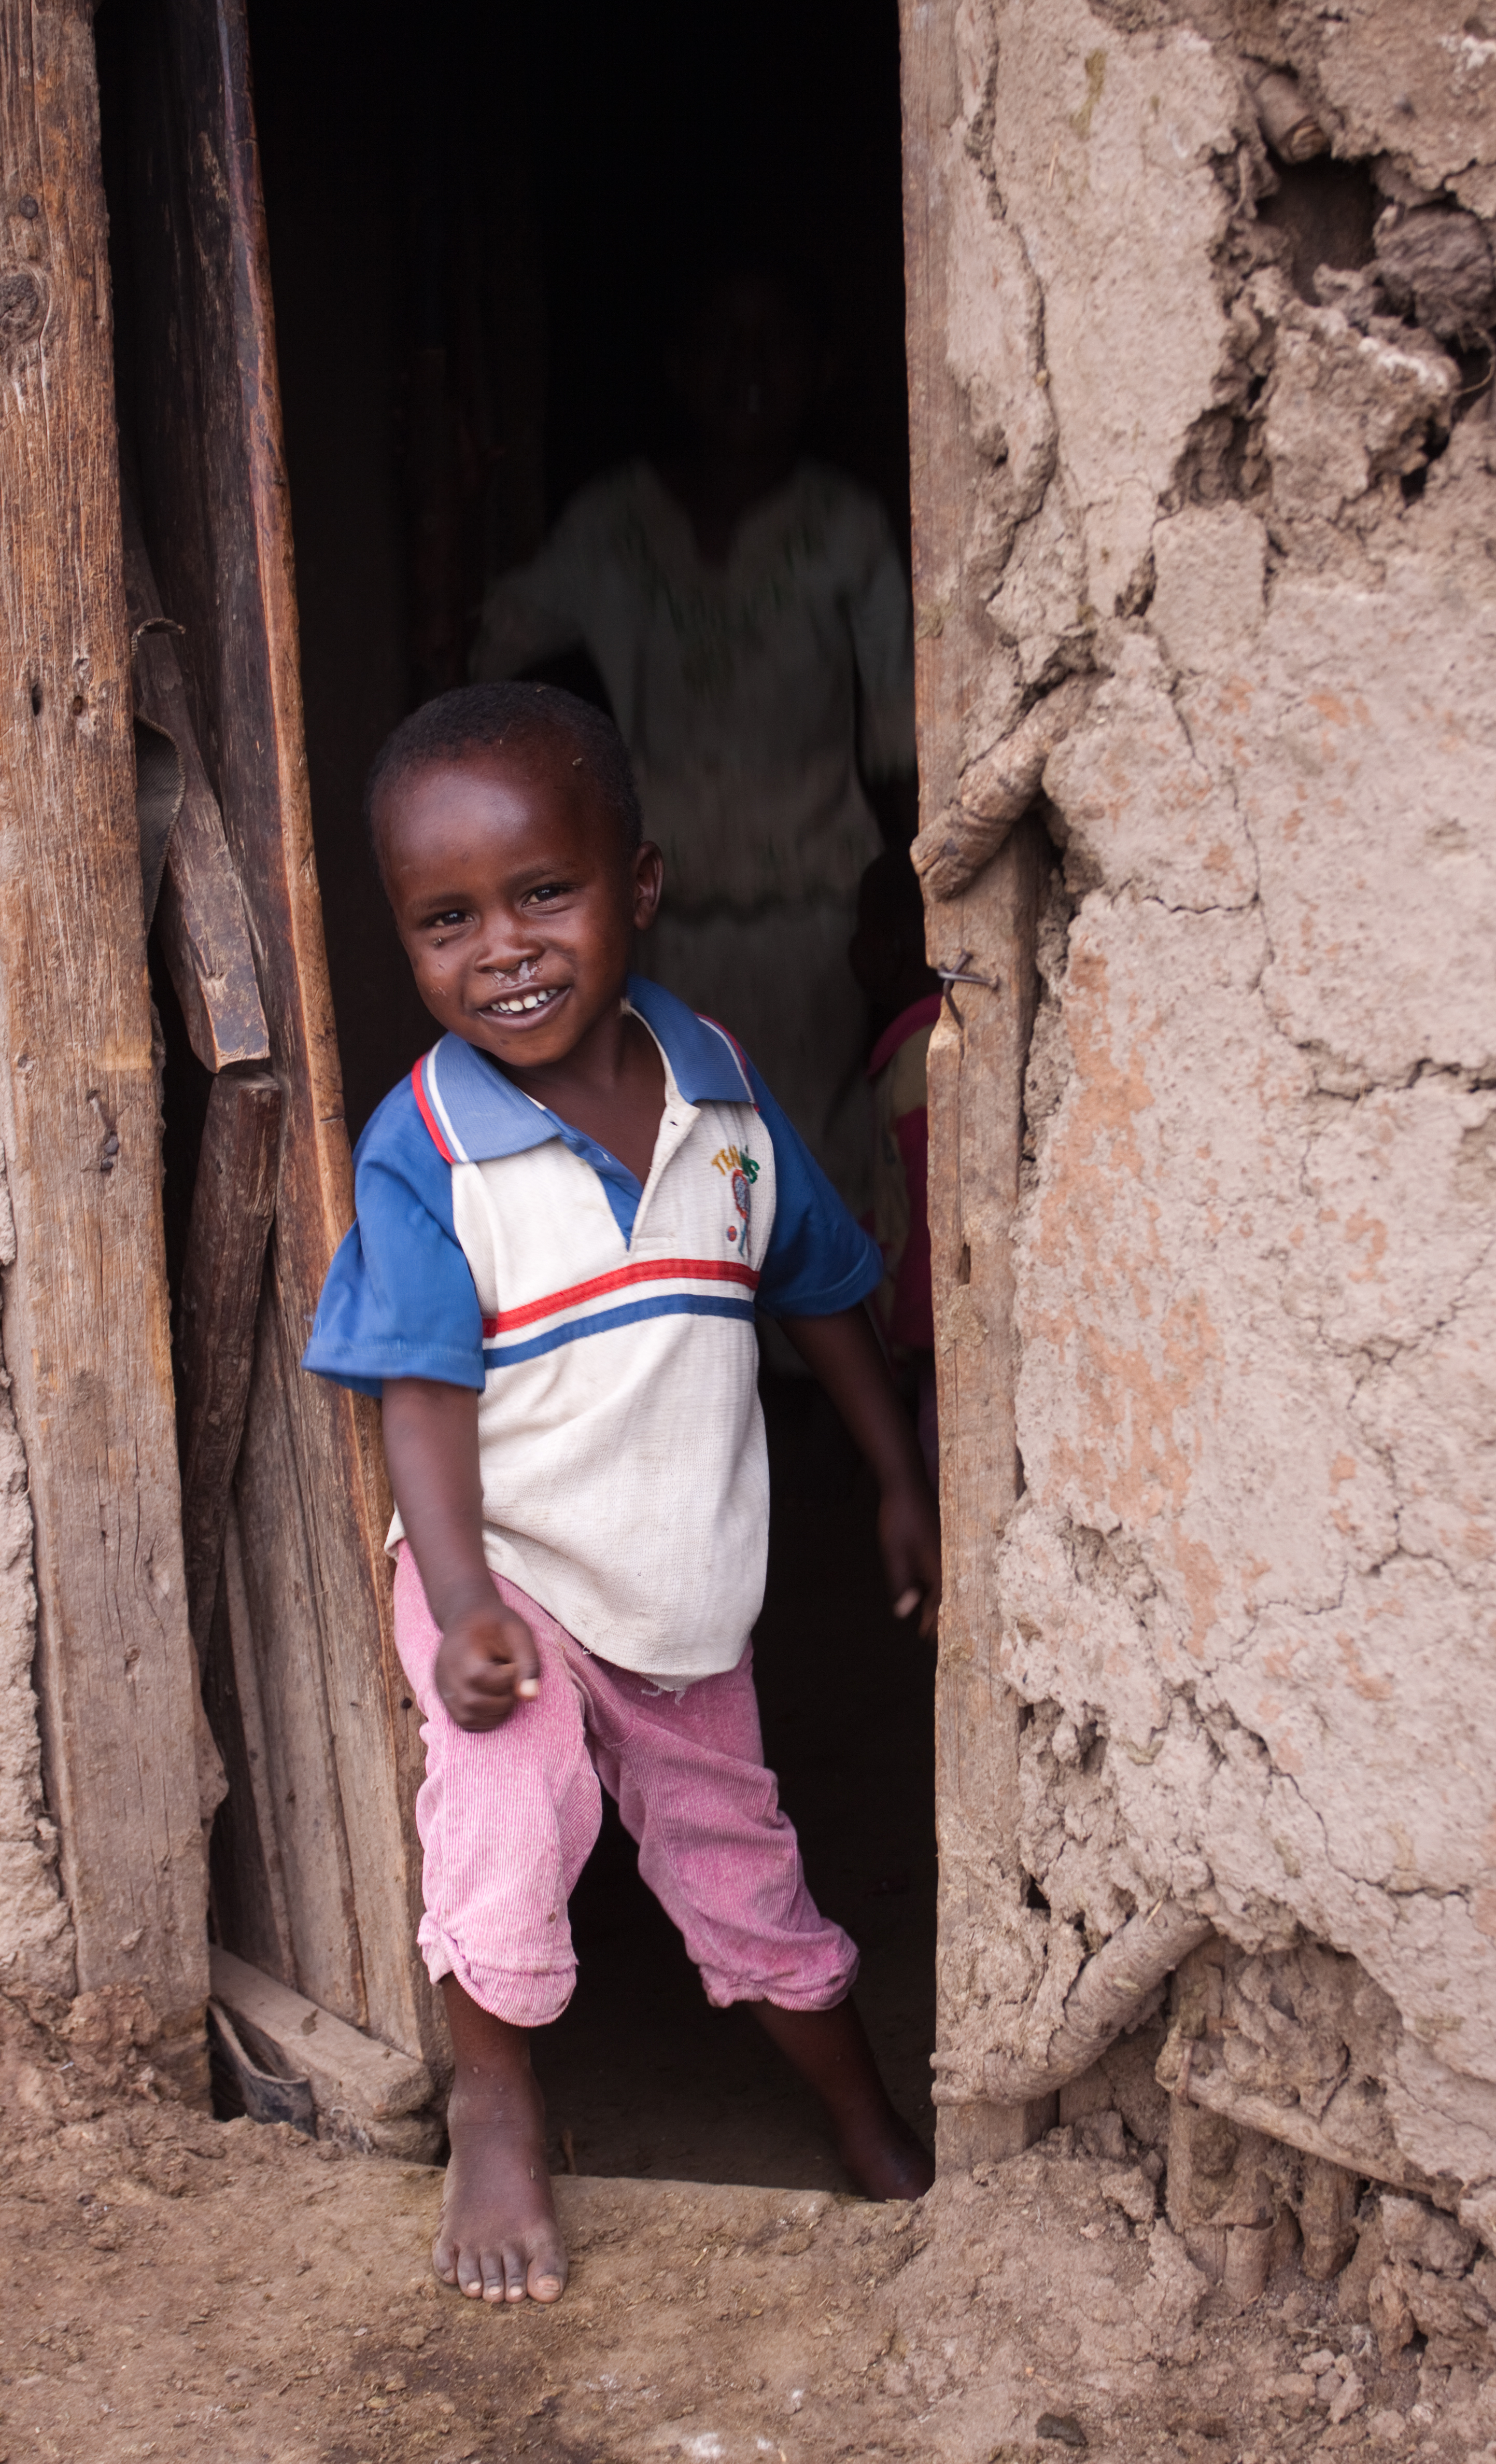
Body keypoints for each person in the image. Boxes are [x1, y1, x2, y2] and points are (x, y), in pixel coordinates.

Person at [303, 682, 940, 2306]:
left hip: (680, 1595)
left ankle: (872, 2128)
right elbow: (422, 1401)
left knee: (746, 1869)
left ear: (638, 885)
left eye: (544, 894)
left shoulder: (719, 1088)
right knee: (510, 1817)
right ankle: (498, 2106)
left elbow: (818, 1284)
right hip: (504, 1569)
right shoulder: (428, 1144)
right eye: (446, 920)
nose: (501, 948)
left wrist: (895, 1477)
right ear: (402, 936)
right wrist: (457, 1611)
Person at [468, 267, 917, 1213]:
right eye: (719, 342)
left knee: (809, 1142)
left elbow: (899, 738)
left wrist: (893, 898)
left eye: (776, 344)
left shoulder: (846, 528)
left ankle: (809, 1360)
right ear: (676, 367)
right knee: (682, 1139)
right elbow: (493, 651)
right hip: (653, 912)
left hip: (815, 911)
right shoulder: (615, 523)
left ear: (820, 368)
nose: (746, 369)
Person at [850, 849, 943, 1489]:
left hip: (937, 1353)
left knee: (941, 1476)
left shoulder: (920, 1060)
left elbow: (936, 1203)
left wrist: (914, 1336)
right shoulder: (916, 1052)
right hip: (927, 1343)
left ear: (887, 949)